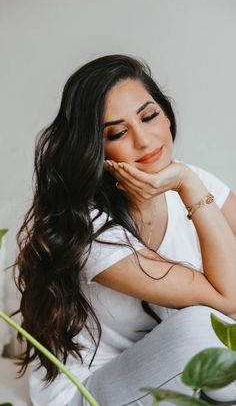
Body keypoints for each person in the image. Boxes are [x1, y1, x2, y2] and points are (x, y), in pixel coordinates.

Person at [15, 54, 236, 406]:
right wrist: (187, 183)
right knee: (201, 327)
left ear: (166, 114)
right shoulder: (90, 229)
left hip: (170, 374)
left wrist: (190, 182)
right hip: (91, 391)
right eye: (118, 132)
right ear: (95, 148)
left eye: (149, 117)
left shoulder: (193, 180)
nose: (145, 141)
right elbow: (229, 299)